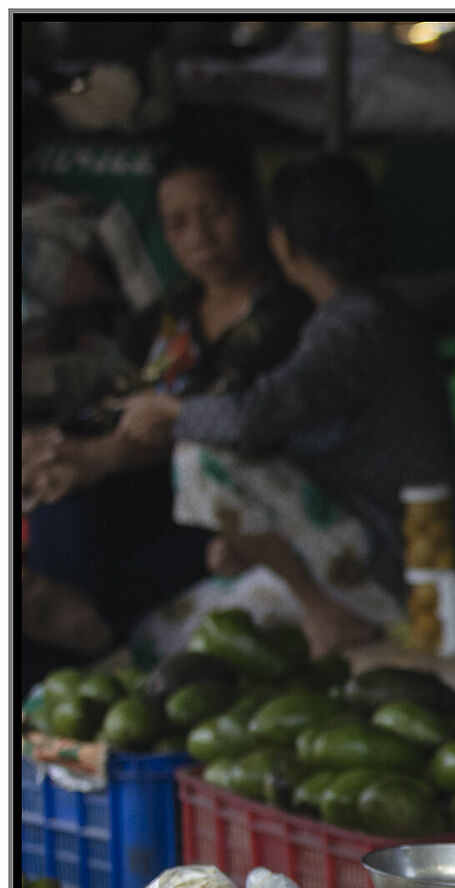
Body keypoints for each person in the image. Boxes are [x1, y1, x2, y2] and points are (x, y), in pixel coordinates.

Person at [116, 154, 455, 656]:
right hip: (370, 546)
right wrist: (251, 542)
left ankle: (324, 612)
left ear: (280, 241)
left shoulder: (354, 323)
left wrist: (173, 412)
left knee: (200, 456)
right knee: (158, 638)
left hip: (397, 561)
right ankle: (321, 605)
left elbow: (252, 418)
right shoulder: (359, 313)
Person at [20, 138, 312, 670]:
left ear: (250, 207)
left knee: (84, 536)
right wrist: (49, 452)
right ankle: (68, 657)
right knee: (62, 501)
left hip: (244, 493)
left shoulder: (291, 311)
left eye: (214, 212)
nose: (198, 236)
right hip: (157, 496)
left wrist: (106, 457)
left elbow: (238, 422)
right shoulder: (164, 318)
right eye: (177, 224)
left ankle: (78, 651)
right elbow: (103, 410)